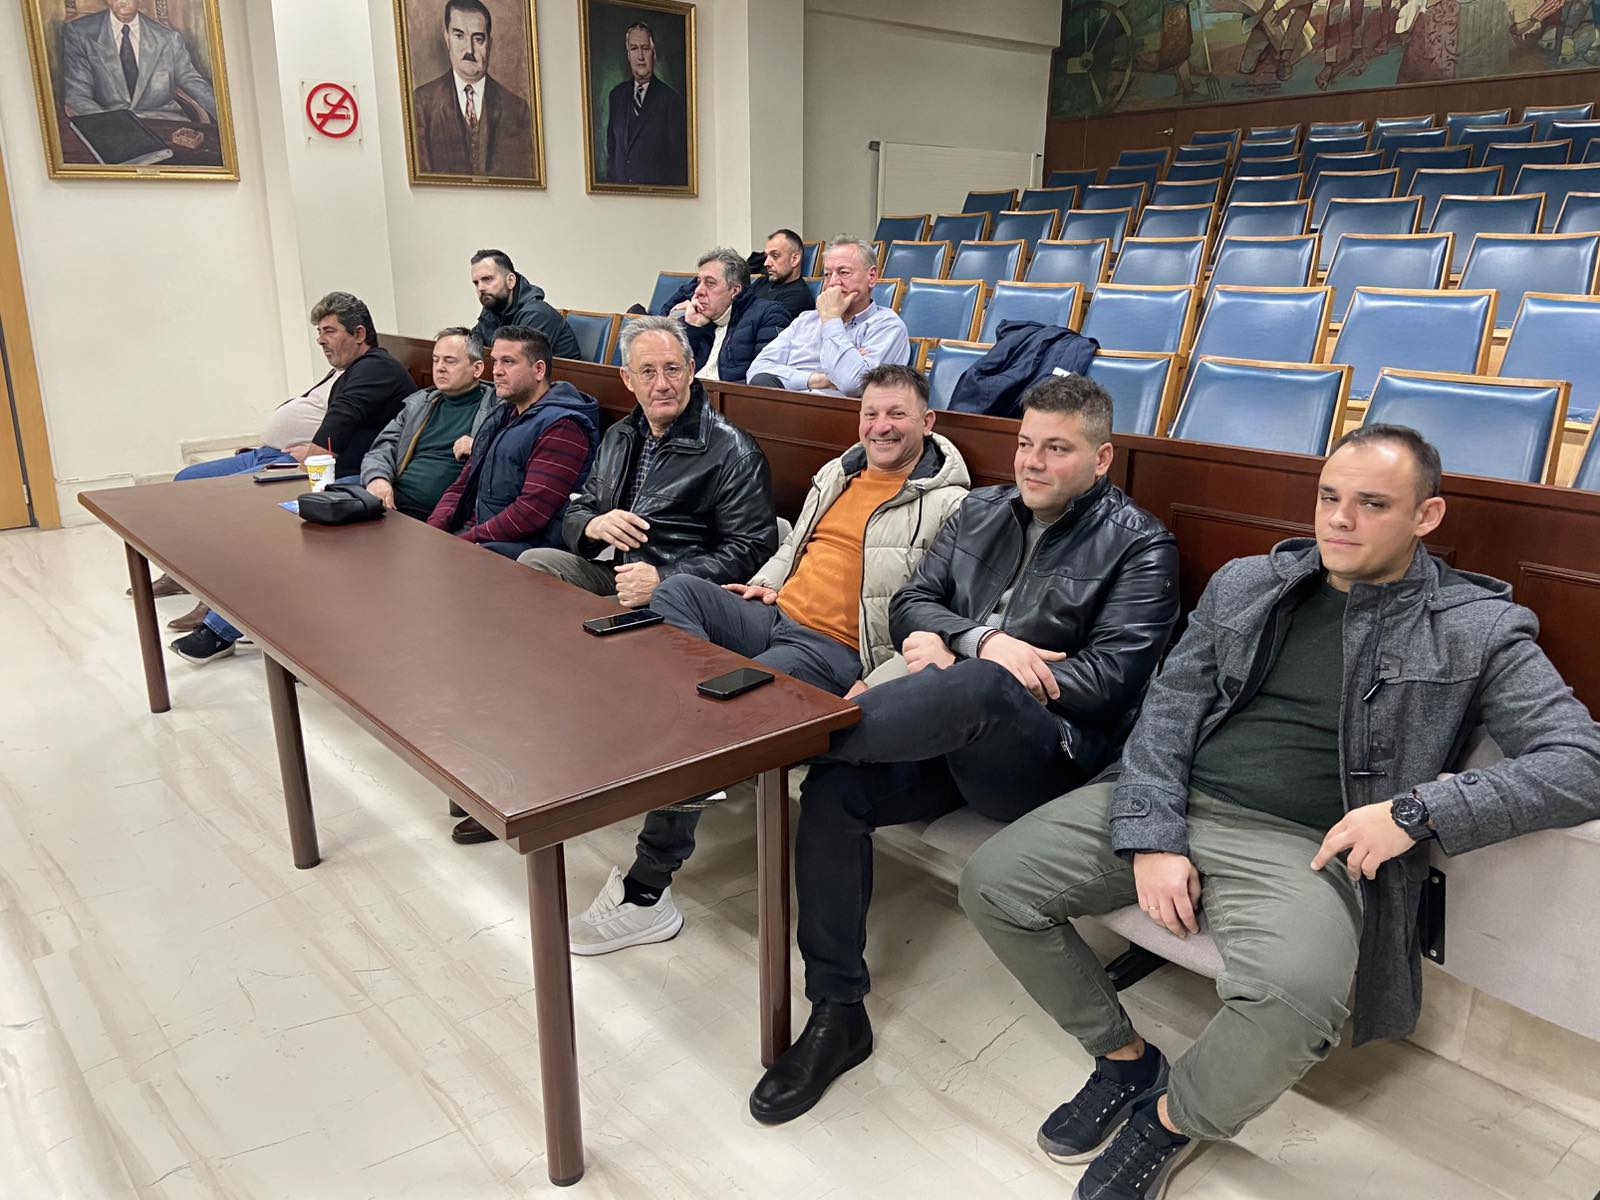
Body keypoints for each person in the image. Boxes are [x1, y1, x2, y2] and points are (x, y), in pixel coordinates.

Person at [958, 424, 1600, 1200]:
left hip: (1304, 845)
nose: (1339, 520)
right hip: (1175, 797)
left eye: (1371, 504)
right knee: (994, 883)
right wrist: (1155, 834)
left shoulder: (1477, 627)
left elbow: (1581, 764)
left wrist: (1415, 812)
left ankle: (1170, 1119)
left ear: (1425, 517)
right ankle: (1124, 1060)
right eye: (1329, 497)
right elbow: (1170, 707)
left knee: (1296, 1001)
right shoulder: (1247, 583)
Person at [746, 374, 1181, 1126]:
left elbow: (1112, 680)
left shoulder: (1140, 544)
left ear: (1102, 458)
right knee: (835, 792)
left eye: (1057, 449)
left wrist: (982, 664)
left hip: (1047, 757)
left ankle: (765, 746)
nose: (1032, 462)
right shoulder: (982, 510)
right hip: (943, 730)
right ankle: (838, 1011)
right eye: (1025, 444)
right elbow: (912, 601)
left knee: (980, 685)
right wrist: (979, 639)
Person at [568, 364, 972, 955]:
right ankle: (695, 724)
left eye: (896, 414)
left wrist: (883, 677)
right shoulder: (839, 472)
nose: (880, 426)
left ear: (927, 421)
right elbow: (795, 545)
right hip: (775, 612)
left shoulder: (952, 505)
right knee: (677, 592)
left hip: (835, 647)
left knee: (716, 709)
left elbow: (941, 609)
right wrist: (764, 583)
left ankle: (648, 887)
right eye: (870, 413)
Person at [168, 292, 414, 667]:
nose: (320, 340)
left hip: (347, 477)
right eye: (319, 332)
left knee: (261, 519)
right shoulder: (352, 370)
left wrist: (307, 455)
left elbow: (338, 428)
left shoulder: (375, 369)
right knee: (196, 485)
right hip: (302, 461)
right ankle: (212, 593)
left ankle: (219, 626)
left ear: (359, 333)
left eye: (329, 331)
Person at [515, 315, 776, 610]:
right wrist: (593, 525)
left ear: (691, 370)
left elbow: (752, 549)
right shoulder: (619, 436)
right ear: (628, 379)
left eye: (672, 369)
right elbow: (579, 508)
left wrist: (663, 578)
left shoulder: (734, 449)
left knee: (578, 613)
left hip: (682, 591)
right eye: (648, 372)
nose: (662, 384)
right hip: (618, 572)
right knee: (533, 563)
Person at [427, 325, 599, 559]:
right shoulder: (503, 414)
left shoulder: (564, 427)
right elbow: (463, 485)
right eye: (495, 361)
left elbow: (530, 513)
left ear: (539, 370)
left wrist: (464, 541)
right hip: (479, 537)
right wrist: (431, 531)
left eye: (508, 362)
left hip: (519, 551)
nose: (496, 371)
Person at [360, 327, 497, 520]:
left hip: (445, 515)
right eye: (435, 360)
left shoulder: (497, 408)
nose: (439, 367)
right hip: (394, 502)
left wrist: (479, 446)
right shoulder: (420, 404)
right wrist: (377, 478)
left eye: (449, 361)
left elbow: (513, 456)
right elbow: (383, 447)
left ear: (477, 369)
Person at [747, 238, 910, 398]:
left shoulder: (887, 326)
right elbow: (757, 370)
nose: (833, 283)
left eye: (843, 272)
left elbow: (854, 385)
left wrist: (831, 319)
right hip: (785, 407)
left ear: (871, 276)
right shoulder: (805, 320)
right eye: (827, 274)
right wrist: (820, 379)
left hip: (838, 412)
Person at [412, 0, 536, 178]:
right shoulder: (422, 103)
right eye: (459, 36)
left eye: (478, 39)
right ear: (447, 39)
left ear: (489, 44)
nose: (469, 49)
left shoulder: (517, 109)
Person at [61, 0, 217, 122]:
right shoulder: (80, 33)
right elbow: (77, 95)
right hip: (108, 123)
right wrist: (110, 125)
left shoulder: (168, 38)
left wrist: (225, 115)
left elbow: (191, 80)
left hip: (163, 120)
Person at [655, 247, 791, 382]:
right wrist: (692, 327)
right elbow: (671, 374)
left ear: (735, 290)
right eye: (699, 282)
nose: (698, 291)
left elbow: (765, 380)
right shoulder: (699, 317)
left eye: (710, 283)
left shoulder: (769, 315)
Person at [604, 21, 688, 186]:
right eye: (634, 49)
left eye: (645, 48)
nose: (640, 56)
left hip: (658, 197)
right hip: (619, 197)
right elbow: (612, 150)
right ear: (628, 55)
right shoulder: (616, 96)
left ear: (653, 54)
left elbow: (678, 164)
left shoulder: (670, 100)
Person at [470, 249, 580, 360]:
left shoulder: (538, 314)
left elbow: (514, 362)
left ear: (511, 281)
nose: (480, 288)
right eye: (476, 283)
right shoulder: (493, 309)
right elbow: (472, 346)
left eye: (487, 279)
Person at [750, 229, 816, 321]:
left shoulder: (797, 298)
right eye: (766, 256)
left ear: (795, 259)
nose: (766, 263)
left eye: (775, 255)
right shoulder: (763, 281)